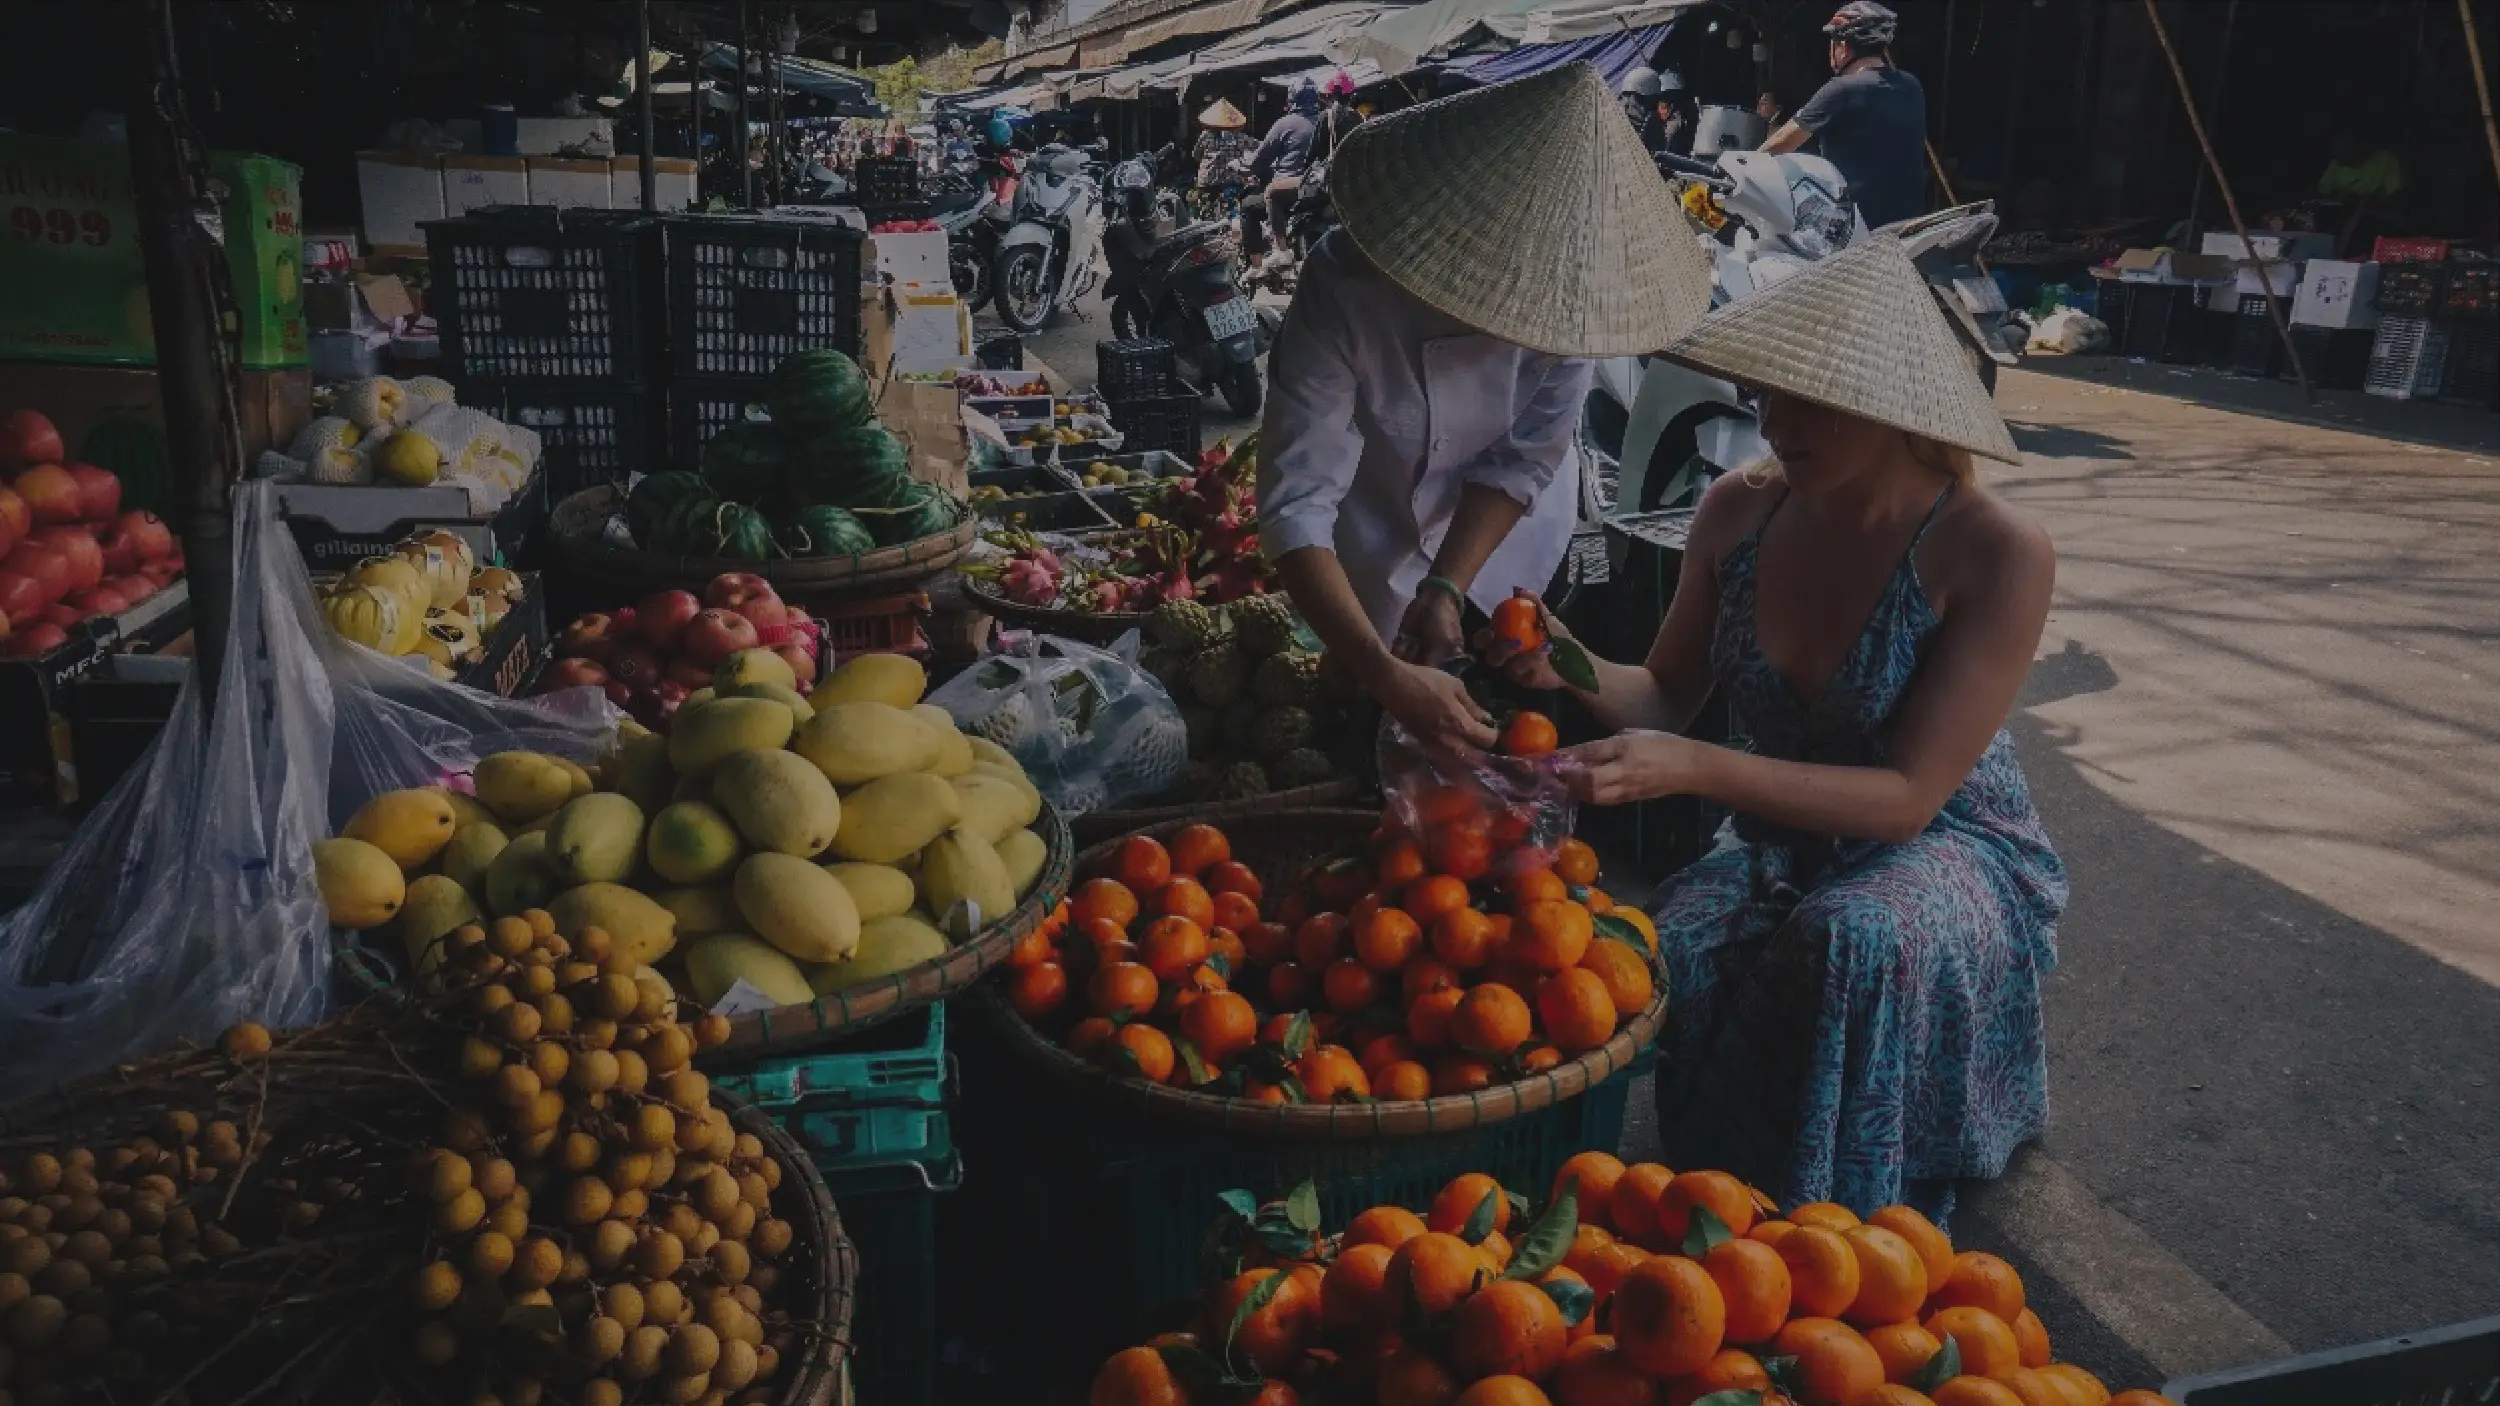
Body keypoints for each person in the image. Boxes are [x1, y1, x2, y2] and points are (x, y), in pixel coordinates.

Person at [1482, 235, 2064, 1221]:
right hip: (1777, 838)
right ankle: (1725, 1193)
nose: (1771, 420)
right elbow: (1666, 694)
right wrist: (1566, 663)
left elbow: (1906, 799)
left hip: (1945, 842)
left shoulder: (1993, 548)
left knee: (1852, 936)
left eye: (1808, 399)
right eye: (1763, 390)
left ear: (1893, 404)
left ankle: (1844, 1228)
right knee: (1645, 948)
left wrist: (1690, 768)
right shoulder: (1736, 510)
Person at [1260, 65, 1715, 752]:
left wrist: (1446, 584)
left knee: (1521, 747)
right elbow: (1297, 500)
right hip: (1372, 538)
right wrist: (1382, 673)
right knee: (1369, 742)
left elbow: (1523, 458)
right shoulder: (1347, 288)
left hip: (1510, 548)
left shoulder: (1572, 300)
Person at [1760, 1, 1929, 229]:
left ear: (1844, 46)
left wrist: (1739, 165)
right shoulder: (1912, 85)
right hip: (1906, 220)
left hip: (1853, 226)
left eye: (1833, 41)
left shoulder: (1843, 89)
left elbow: (1780, 145)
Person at [1241, 81, 1321, 258]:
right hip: (1318, 190)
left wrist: (1245, 166)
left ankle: (1271, 257)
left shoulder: (1285, 124)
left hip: (1291, 191)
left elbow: (1259, 160)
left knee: (1248, 206)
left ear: (1292, 100)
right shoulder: (1323, 121)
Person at [1189, 97, 1255, 212]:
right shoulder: (1240, 137)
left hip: (1208, 181)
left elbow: (1196, 155)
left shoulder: (1206, 135)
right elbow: (1259, 147)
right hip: (1231, 180)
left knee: (1205, 212)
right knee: (1231, 213)